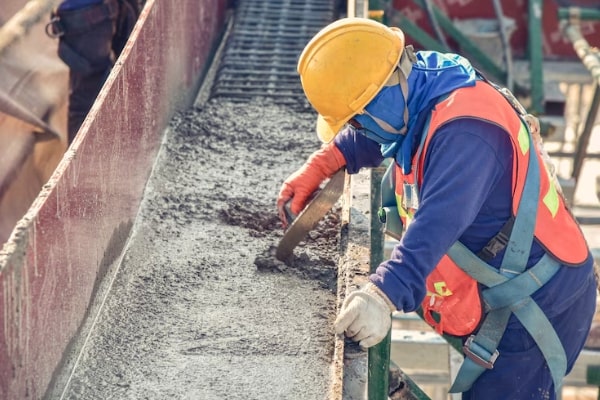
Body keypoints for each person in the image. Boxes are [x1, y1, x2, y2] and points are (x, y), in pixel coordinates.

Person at [277, 17, 597, 399]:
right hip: (498, 280)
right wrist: (325, 161)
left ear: (388, 86)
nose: (358, 130)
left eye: (357, 121)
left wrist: (383, 294)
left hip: (535, 306)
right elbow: (389, 127)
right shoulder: (419, 79)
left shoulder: (467, 136)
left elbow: (436, 224)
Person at [46, 0, 142, 144]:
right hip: (88, 12)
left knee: (131, 71)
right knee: (88, 101)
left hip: (94, 10)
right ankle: (82, 161)